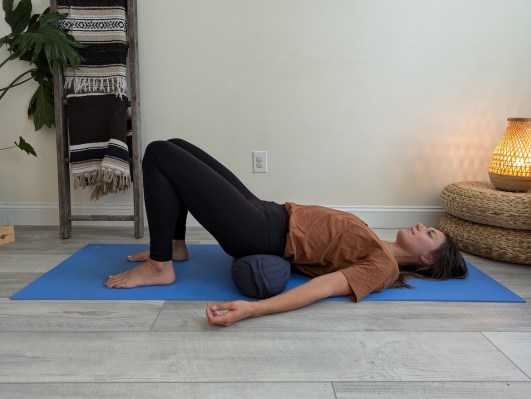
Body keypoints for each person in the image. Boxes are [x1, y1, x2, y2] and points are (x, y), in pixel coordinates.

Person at [105, 138, 468, 326]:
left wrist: (253, 310)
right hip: (268, 211)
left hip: (260, 231)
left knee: (158, 153)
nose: (424, 226)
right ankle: (175, 246)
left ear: (425, 258)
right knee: (177, 145)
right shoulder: (379, 242)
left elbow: (322, 287)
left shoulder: (383, 267)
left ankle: (159, 265)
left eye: (431, 235)